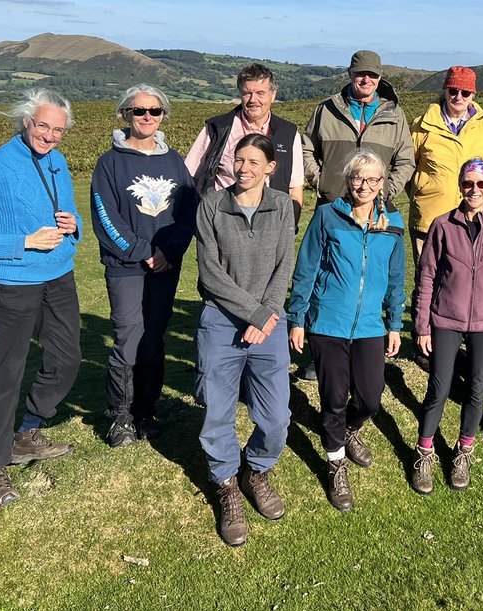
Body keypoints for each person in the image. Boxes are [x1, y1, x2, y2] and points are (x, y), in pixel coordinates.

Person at [0, 88, 83, 510]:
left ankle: (28, 429)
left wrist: (73, 223)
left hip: (60, 276)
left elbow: (70, 214)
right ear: (26, 121)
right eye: (43, 125)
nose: (50, 136)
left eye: (58, 130)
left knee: (67, 359)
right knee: (7, 372)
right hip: (14, 284)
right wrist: (25, 241)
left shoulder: (58, 162)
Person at [288, 150, 407, 511]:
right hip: (328, 323)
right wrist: (297, 319)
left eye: (372, 179)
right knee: (335, 396)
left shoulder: (394, 224)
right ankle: (335, 461)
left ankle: (347, 430)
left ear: (382, 184)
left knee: (370, 398)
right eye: (357, 178)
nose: (364, 186)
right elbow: (307, 267)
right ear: (348, 180)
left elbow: (396, 277)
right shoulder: (327, 217)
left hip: (371, 324)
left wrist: (395, 324)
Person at [194, 134, 295, 547]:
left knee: (275, 419)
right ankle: (226, 484)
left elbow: (285, 264)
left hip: (269, 324)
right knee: (216, 413)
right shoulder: (212, 206)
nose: (245, 168)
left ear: (271, 167)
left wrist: (267, 315)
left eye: (255, 161)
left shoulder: (283, 206)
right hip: (220, 321)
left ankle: (256, 470)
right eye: (240, 159)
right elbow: (210, 274)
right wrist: (253, 313)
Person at [90, 85, 197, 447]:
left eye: (155, 111)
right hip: (127, 265)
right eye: (139, 111)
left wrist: (169, 250)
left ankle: (146, 410)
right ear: (125, 115)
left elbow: (188, 211)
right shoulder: (110, 163)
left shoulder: (174, 161)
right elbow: (106, 217)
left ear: (164, 115)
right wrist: (143, 252)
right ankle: (119, 416)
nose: (147, 117)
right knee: (128, 337)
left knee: (153, 338)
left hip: (166, 266)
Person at [411, 159, 483, 495]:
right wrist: (422, 324)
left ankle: (463, 452)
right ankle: (424, 452)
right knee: (439, 388)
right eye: (468, 183)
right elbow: (426, 276)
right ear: (460, 186)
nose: (474, 190)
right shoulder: (442, 226)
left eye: (481, 184)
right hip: (445, 319)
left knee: (476, 387)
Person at [184, 63, 304, 222]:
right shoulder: (217, 128)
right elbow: (189, 177)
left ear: (273, 94)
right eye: (248, 93)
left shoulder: (288, 133)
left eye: (261, 93)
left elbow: (295, 188)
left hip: (271, 222)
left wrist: (290, 227)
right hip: (222, 220)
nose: (254, 100)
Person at [302, 49, 416, 206]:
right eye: (361, 73)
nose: (367, 80)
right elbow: (306, 150)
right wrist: (322, 183)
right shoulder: (326, 110)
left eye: (373, 75)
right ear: (350, 73)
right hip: (331, 206)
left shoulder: (395, 115)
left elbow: (406, 160)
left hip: (375, 209)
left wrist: (387, 190)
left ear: (380, 77)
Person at [408, 65, 483, 266]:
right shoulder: (421, 125)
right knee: (426, 280)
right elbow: (408, 167)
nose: (458, 97)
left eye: (465, 92)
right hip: (429, 216)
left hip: (471, 217)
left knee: (461, 281)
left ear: (472, 95)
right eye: (453, 91)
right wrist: (423, 191)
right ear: (445, 90)